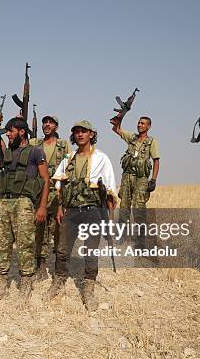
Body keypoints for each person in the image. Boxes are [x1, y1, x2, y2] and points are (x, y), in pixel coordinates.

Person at [48, 120, 117, 311]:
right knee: (62, 249)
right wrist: (61, 208)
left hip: (92, 212)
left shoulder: (102, 158)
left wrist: (110, 221)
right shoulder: (68, 158)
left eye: (84, 132)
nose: (80, 135)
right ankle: (59, 280)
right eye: (77, 132)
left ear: (91, 134)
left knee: (91, 251)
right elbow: (60, 185)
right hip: (71, 211)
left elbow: (110, 191)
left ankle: (88, 287)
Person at [0, 118, 50, 304]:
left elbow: (45, 179)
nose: (7, 134)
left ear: (22, 132)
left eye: (10, 131)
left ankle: (26, 283)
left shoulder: (35, 151)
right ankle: (0, 284)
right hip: (4, 202)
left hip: (23, 203)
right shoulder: (6, 152)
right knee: (1, 244)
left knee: (25, 244)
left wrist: (42, 207)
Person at [28, 115, 72, 280]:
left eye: (51, 122)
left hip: (58, 192)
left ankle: (59, 266)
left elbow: (69, 166)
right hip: (39, 193)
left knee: (59, 230)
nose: (47, 124)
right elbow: (21, 142)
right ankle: (41, 265)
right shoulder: (34, 144)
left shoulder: (63, 145)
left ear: (56, 127)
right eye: (45, 122)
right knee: (40, 230)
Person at [111, 116, 159, 247]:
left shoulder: (151, 141)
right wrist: (119, 119)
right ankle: (122, 236)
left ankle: (141, 240)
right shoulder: (131, 137)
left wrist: (153, 179)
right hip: (127, 176)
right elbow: (116, 129)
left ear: (149, 126)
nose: (139, 125)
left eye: (142, 123)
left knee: (139, 208)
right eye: (138, 122)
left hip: (141, 178)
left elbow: (156, 160)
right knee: (124, 207)